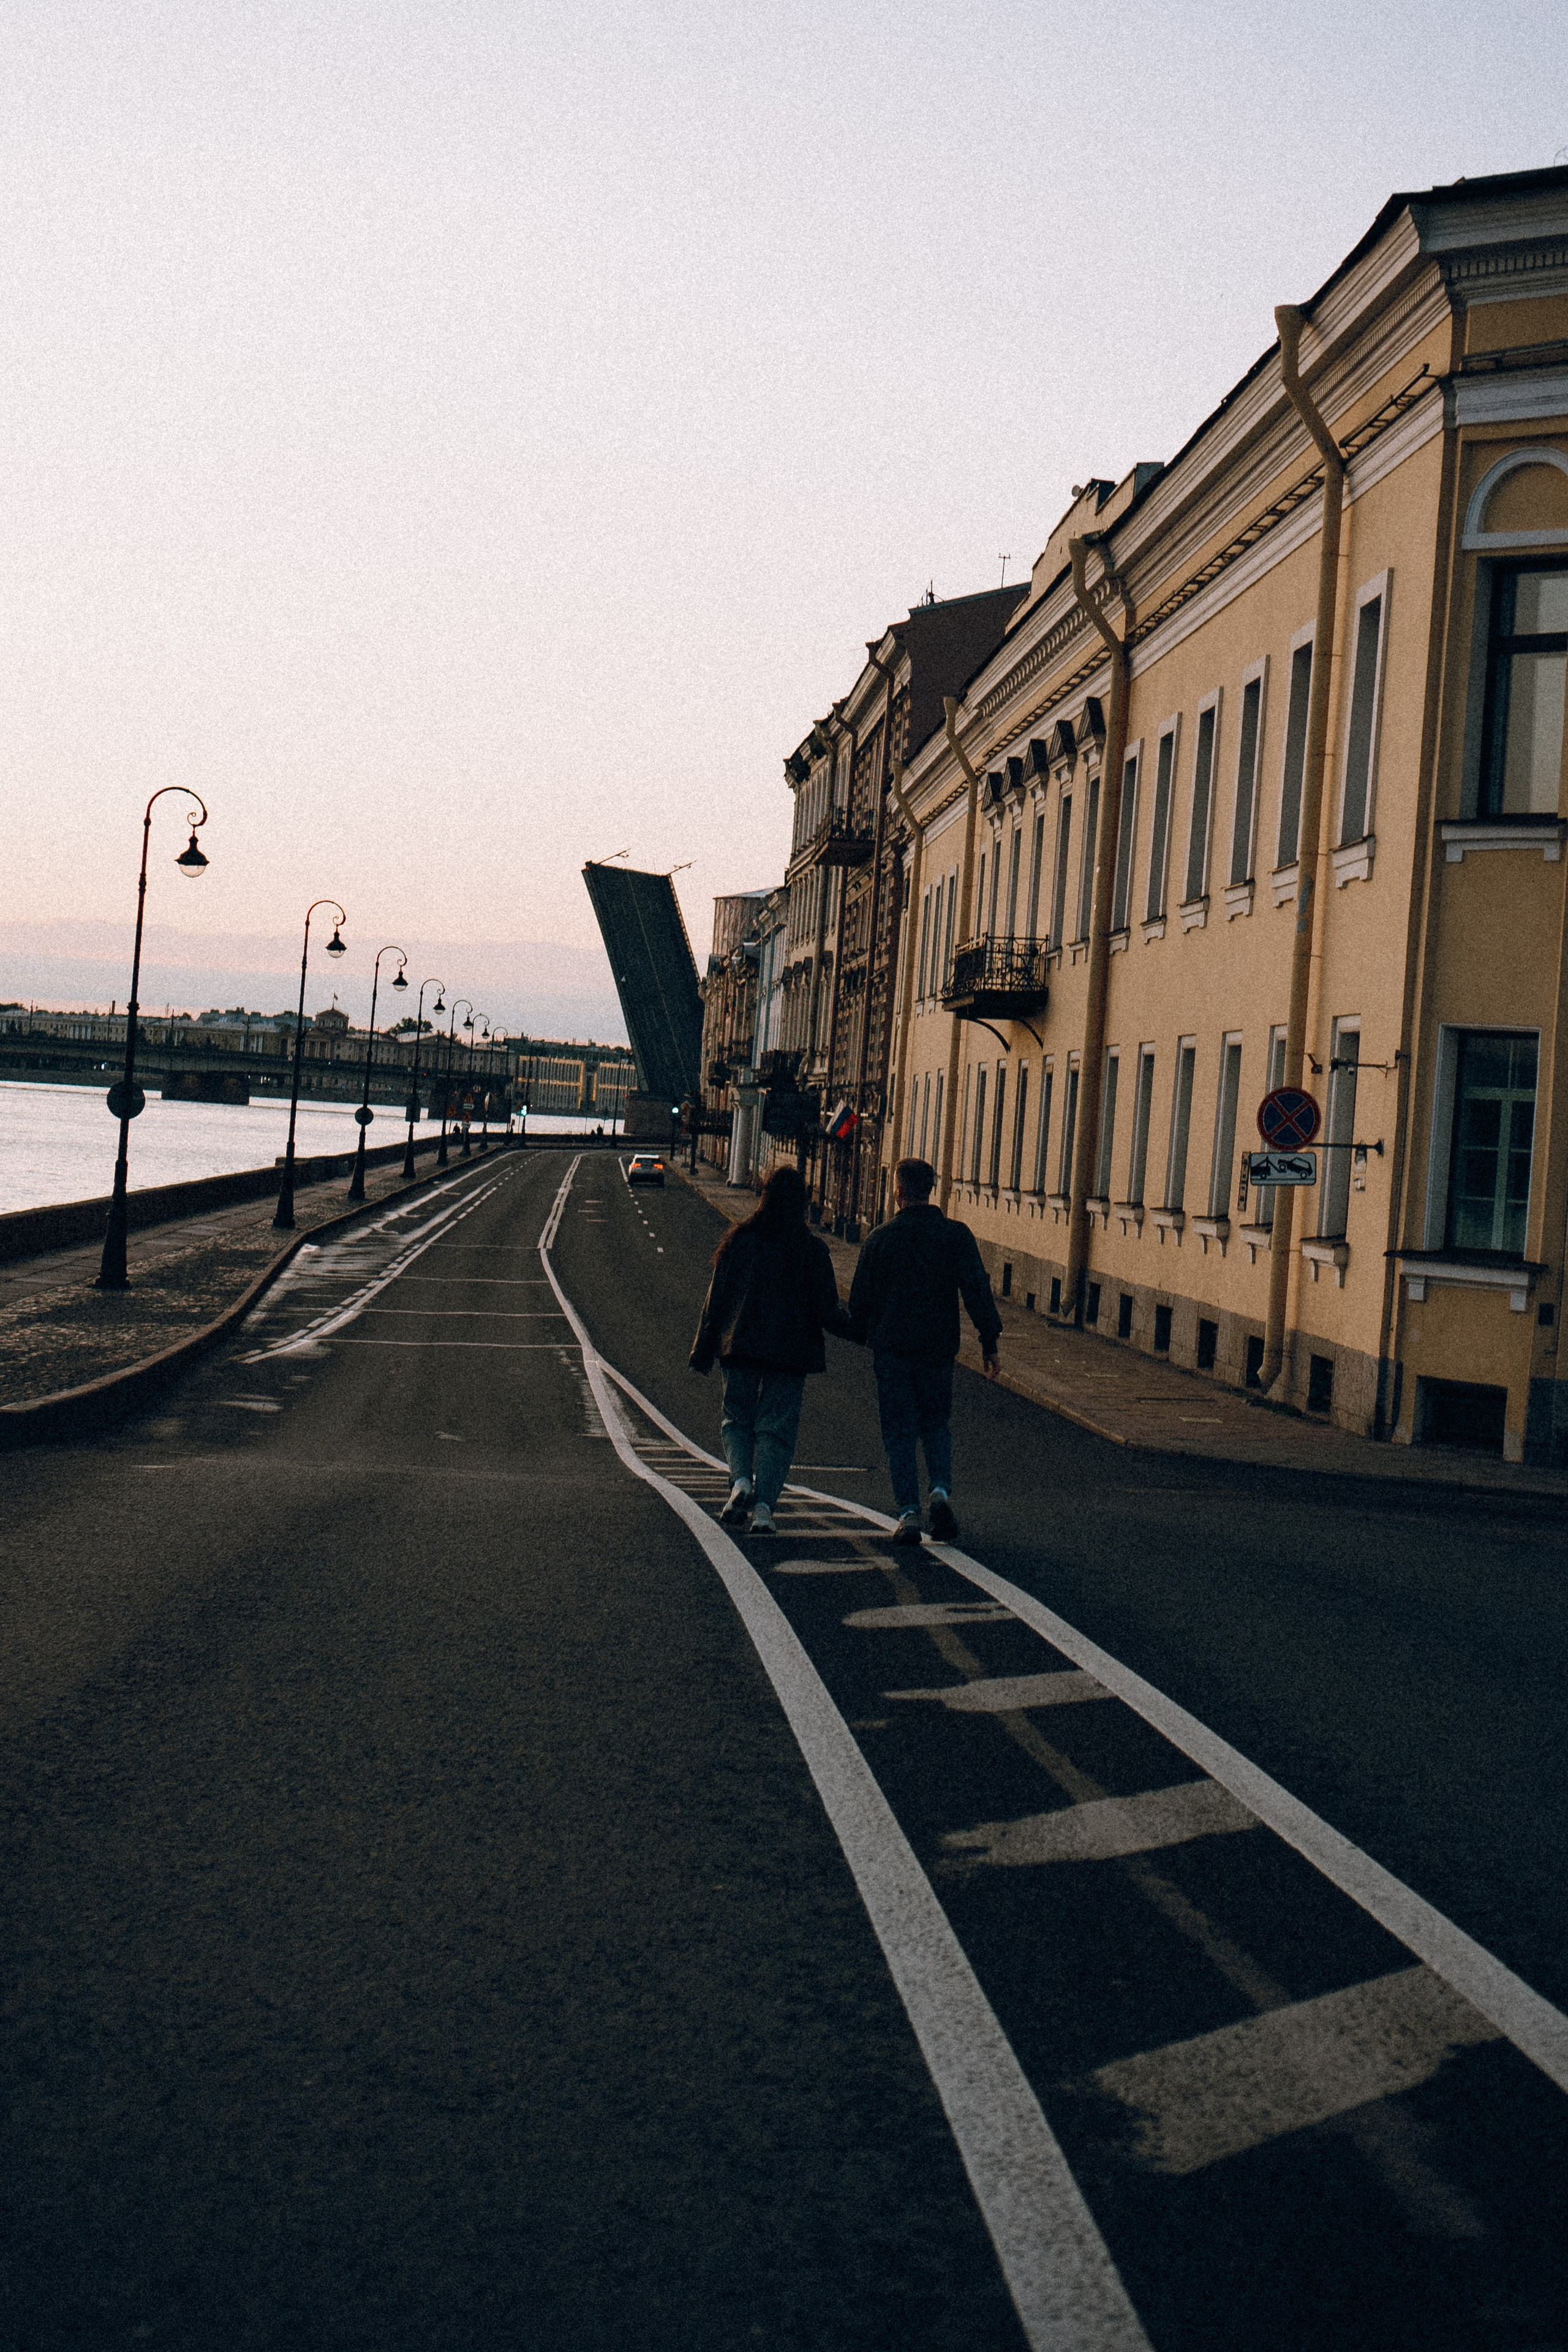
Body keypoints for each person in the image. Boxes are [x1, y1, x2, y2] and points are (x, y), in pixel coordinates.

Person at [846, 1156, 1000, 1546]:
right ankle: (941, 1492)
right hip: (937, 1348)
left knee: (899, 1431)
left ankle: (909, 1513)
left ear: (898, 1191)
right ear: (931, 1189)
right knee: (935, 1423)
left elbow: (859, 1304)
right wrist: (989, 1342)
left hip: (893, 1350)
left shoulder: (881, 1239)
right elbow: (977, 1290)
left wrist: (859, 1331)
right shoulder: (955, 1235)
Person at [689, 1163, 848, 1536]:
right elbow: (827, 1310)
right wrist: (867, 1333)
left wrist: (703, 1350)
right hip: (790, 1352)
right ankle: (764, 1509)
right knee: (776, 1430)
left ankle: (741, 1481)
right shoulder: (811, 1250)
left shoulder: (738, 1241)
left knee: (737, 1419)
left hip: (740, 1346)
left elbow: (716, 1302)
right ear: (802, 1203)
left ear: (765, 1197)